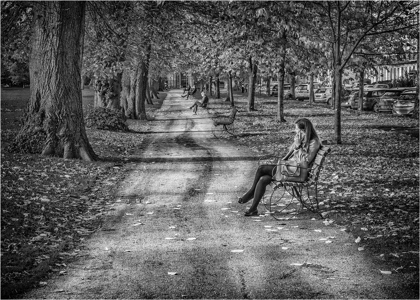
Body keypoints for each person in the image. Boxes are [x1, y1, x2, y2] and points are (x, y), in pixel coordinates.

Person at [238, 118, 321, 216]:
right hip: (292, 169)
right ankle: (253, 209)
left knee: (262, 168)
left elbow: (306, 161)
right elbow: (291, 154)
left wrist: (299, 146)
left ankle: (251, 192)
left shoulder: (314, 142)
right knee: (264, 179)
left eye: (297, 130)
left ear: (304, 131)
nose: (295, 132)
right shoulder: (302, 139)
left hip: (299, 172)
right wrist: (294, 148)